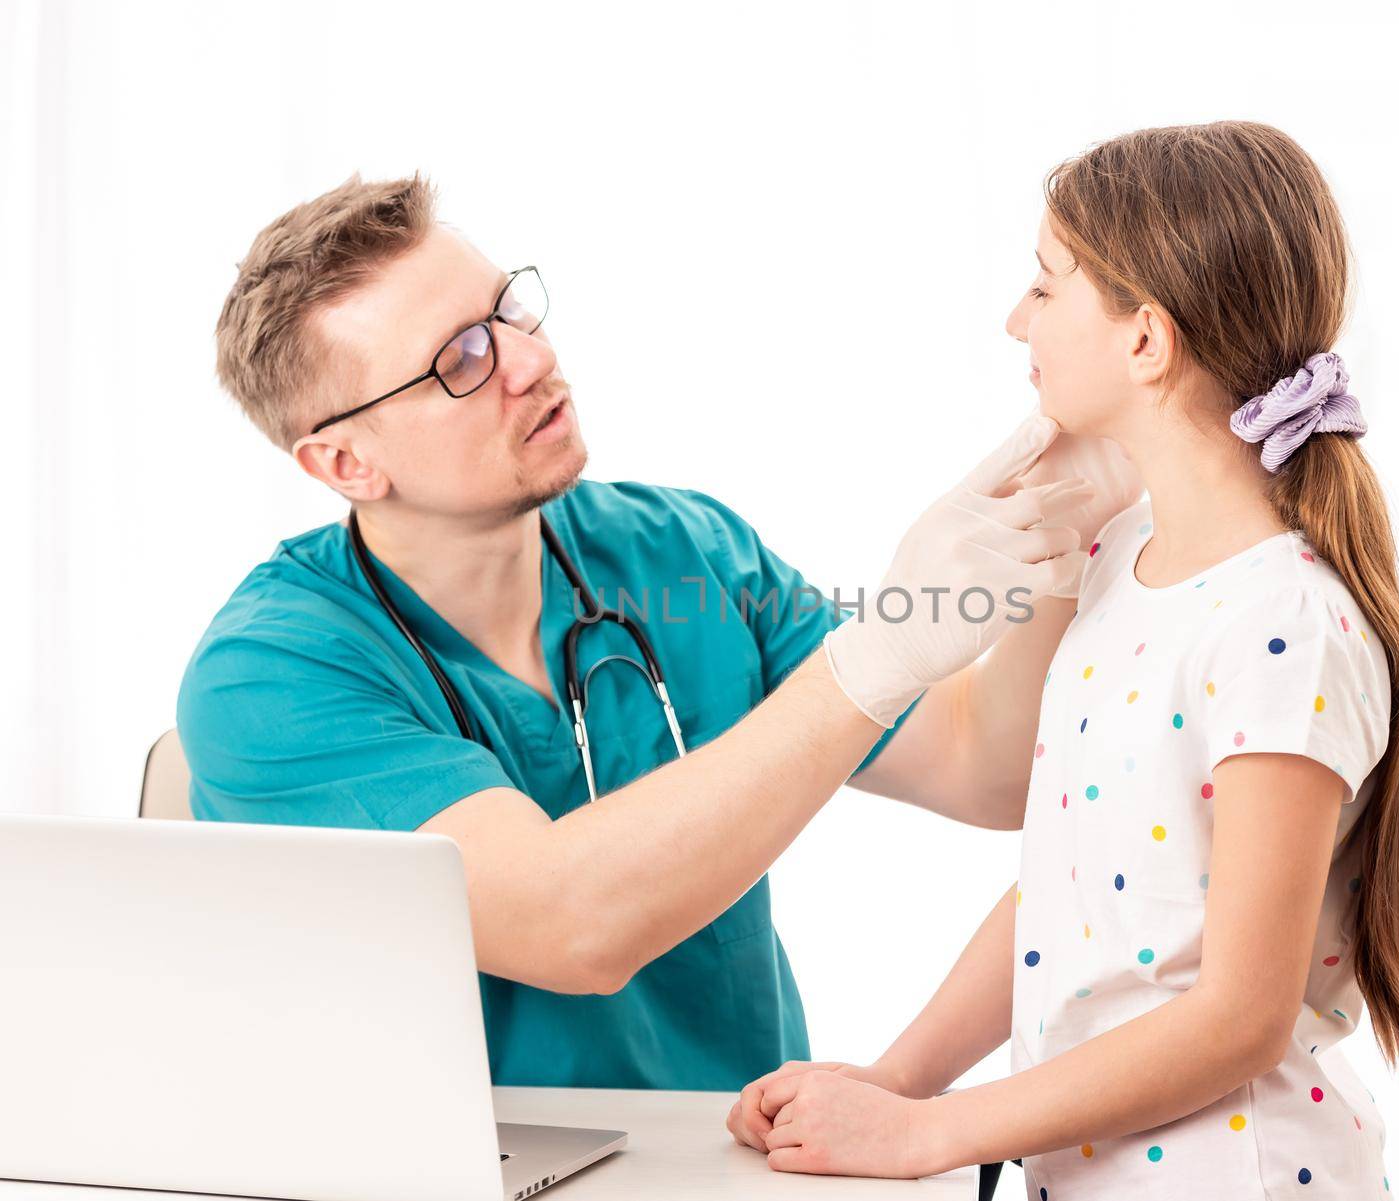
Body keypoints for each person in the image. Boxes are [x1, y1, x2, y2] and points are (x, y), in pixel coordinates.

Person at [176, 174, 1143, 1092]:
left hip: (736, 1154)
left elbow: (985, 765)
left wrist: (1067, 525)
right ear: (345, 460)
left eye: (510, 309)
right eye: (463, 359)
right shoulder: (269, 673)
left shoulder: (681, 552)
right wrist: (876, 652)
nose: (532, 358)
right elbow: (572, 923)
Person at [730, 121, 1399, 1199]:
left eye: (1045, 287)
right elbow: (1068, 886)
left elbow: (1240, 1019)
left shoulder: (1280, 623)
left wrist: (932, 1136)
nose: (1015, 318)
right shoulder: (1113, 565)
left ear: (1145, 340)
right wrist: (898, 1081)